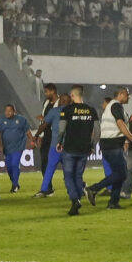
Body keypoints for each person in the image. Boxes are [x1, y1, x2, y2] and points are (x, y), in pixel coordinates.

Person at [86, 92, 132, 210]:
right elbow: (120, 124)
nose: (128, 97)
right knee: (122, 173)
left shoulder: (111, 107)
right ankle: (94, 189)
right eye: (127, 94)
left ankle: (113, 202)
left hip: (109, 144)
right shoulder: (116, 106)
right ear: (120, 94)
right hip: (112, 144)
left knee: (119, 174)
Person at [54, 85, 99, 216]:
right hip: (84, 149)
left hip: (69, 148)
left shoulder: (67, 110)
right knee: (78, 176)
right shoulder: (91, 110)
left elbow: (62, 129)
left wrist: (59, 142)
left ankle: (75, 200)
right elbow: (97, 131)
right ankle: (78, 197)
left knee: (68, 175)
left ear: (72, 95)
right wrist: (92, 145)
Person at [32, 91, 65, 198]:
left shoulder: (54, 111)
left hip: (55, 146)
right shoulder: (74, 112)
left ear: (60, 102)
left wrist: (36, 135)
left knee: (49, 168)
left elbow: (44, 124)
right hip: (70, 147)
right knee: (71, 170)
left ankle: (45, 190)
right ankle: (80, 189)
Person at [0, 104, 33, 192]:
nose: (7, 113)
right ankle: (15, 183)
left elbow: (28, 131)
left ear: (14, 111)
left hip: (18, 146)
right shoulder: (1, 121)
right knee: (9, 167)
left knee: (15, 164)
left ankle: (14, 185)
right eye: (6, 111)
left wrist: (31, 141)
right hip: (7, 148)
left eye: (10, 111)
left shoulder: (21, 119)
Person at [37, 83, 60, 181]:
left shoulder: (61, 102)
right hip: (47, 136)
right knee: (44, 162)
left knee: (67, 164)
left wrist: (45, 119)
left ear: (53, 91)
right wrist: (40, 135)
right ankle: (47, 188)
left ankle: (82, 186)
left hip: (57, 136)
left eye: (46, 92)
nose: (45, 94)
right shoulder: (46, 103)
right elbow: (43, 121)